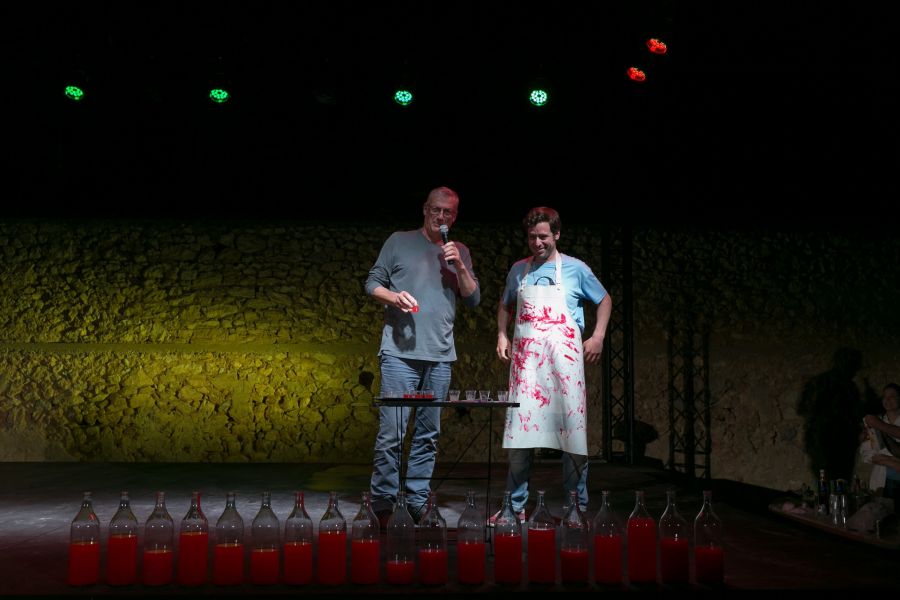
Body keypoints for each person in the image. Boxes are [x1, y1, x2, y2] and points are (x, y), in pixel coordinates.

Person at [365, 186, 480, 526]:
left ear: (454, 217)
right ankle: (383, 502)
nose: (440, 216)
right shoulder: (398, 241)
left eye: (448, 212)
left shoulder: (459, 250)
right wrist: (393, 297)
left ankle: (416, 500)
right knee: (392, 433)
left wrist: (459, 266)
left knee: (428, 435)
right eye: (436, 209)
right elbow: (372, 283)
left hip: (440, 356)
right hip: (399, 354)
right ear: (425, 209)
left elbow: (473, 298)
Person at [493, 206, 611, 522]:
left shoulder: (576, 269)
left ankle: (575, 508)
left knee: (572, 439)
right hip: (528, 369)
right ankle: (515, 507)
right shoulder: (519, 270)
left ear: (557, 234)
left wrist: (598, 336)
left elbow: (604, 299)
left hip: (564, 368)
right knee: (520, 438)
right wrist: (502, 334)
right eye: (532, 237)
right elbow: (505, 305)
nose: (537, 242)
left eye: (543, 236)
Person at [797, 347, 871, 483]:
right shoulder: (823, 383)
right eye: (853, 365)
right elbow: (804, 408)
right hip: (825, 442)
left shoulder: (849, 387)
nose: (855, 370)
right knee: (828, 483)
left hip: (841, 443)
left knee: (838, 483)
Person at [862, 383, 900, 504]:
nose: (887, 400)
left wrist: (886, 458)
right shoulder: (874, 422)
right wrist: (892, 462)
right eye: (885, 397)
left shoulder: (876, 422)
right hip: (884, 482)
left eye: (892, 396)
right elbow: (867, 454)